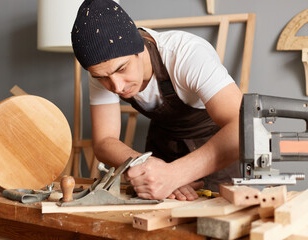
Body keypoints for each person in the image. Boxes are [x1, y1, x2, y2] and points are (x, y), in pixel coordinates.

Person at [71, 0, 242, 201]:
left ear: (139, 49)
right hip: (161, 149)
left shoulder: (186, 55)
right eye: (102, 78)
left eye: (122, 69)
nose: (116, 87)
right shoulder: (103, 70)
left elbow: (241, 128)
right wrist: (144, 168)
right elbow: (103, 141)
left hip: (214, 149)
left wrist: (174, 174)